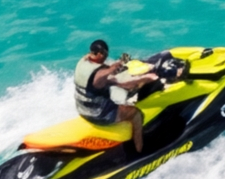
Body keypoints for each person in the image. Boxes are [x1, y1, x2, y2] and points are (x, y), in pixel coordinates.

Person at [26, 37, 161, 156]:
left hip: (83, 110)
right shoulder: (100, 75)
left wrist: (119, 65)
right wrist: (147, 78)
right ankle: (139, 151)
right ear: (98, 54)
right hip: (101, 114)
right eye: (104, 55)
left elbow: (106, 74)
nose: (105, 58)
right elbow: (120, 83)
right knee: (136, 115)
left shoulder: (83, 62)